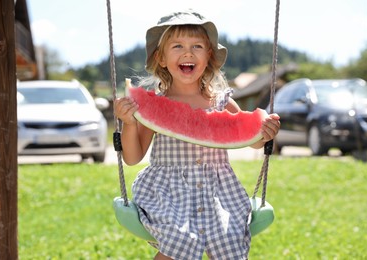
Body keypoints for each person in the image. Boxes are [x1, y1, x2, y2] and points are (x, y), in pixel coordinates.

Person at [114, 10, 280, 260]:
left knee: (228, 239)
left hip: (218, 193)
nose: (188, 52)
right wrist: (127, 122)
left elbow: (252, 139)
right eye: (177, 45)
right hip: (168, 193)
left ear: (209, 56)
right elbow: (133, 156)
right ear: (161, 58)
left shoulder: (222, 101)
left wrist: (264, 132)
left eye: (197, 46)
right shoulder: (153, 106)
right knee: (179, 238)